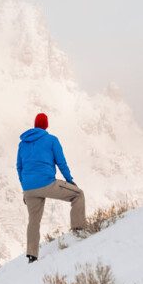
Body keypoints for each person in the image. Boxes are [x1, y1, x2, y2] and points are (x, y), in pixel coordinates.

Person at [16, 113, 86, 263]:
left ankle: (32, 255)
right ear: (46, 125)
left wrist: (25, 187)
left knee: (33, 220)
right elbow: (61, 163)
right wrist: (70, 181)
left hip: (29, 189)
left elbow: (19, 167)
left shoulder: (23, 143)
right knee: (78, 195)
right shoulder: (51, 140)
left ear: (35, 125)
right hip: (47, 183)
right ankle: (79, 230)